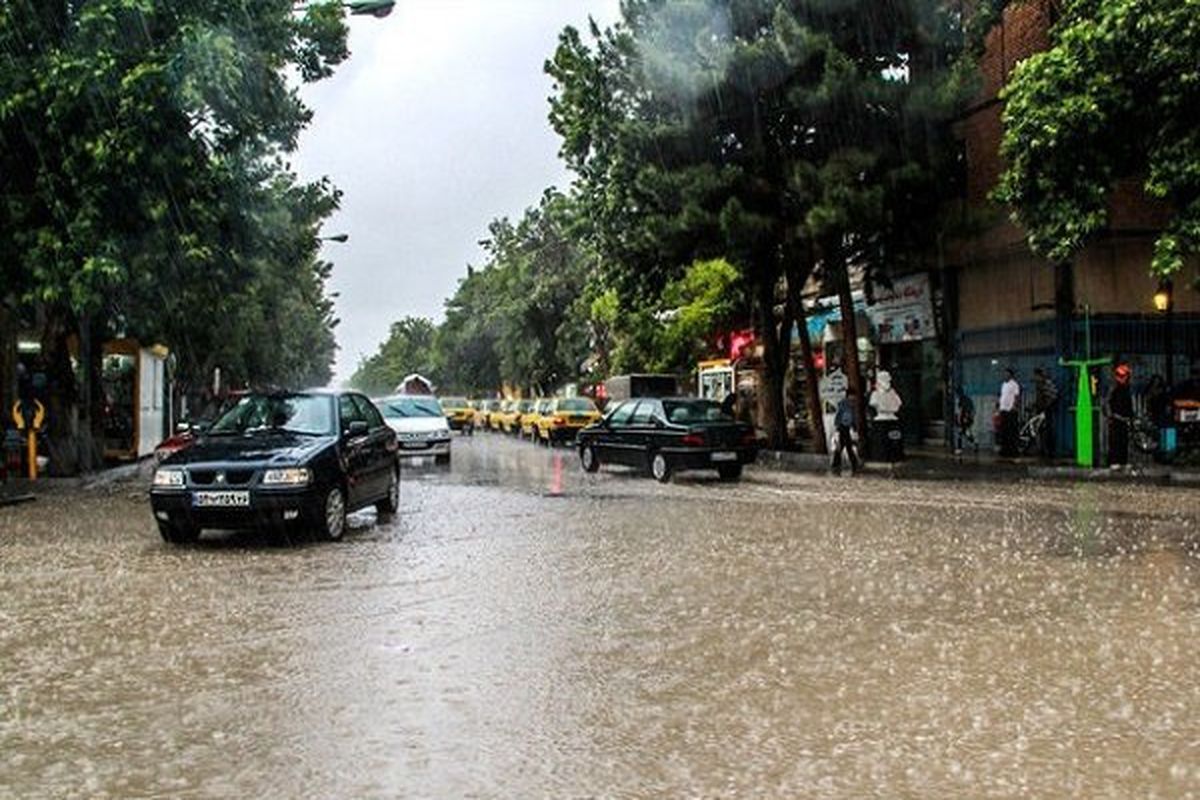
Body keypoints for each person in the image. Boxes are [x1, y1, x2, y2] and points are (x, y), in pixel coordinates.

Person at [869, 370, 904, 462]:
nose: (888, 381)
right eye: (885, 379)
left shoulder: (893, 394)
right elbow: (874, 403)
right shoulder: (875, 395)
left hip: (892, 418)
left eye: (888, 379)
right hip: (881, 418)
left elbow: (898, 404)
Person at [1107, 362, 1134, 468]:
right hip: (1117, 419)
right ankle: (1115, 461)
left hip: (1122, 419)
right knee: (1116, 440)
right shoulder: (1116, 390)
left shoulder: (1124, 389)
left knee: (1123, 441)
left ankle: (1122, 461)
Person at [830, 388, 860, 476]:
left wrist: (854, 426)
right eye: (852, 396)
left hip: (847, 428)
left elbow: (853, 417)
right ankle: (839, 464)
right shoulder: (843, 404)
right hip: (842, 427)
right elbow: (839, 416)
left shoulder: (852, 405)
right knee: (844, 446)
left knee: (846, 446)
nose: (853, 398)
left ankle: (837, 464)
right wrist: (837, 427)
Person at [1032, 367, 1058, 459]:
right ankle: (1043, 450)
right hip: (1041, 410)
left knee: (1047, 431)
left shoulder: (1046, 383)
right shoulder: (1038, 385)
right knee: (1041, 430)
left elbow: (1054, 395)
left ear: (1039, 375)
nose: (1034, 378)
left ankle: (1050, 452)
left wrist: (1047, 405)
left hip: (1047, 411)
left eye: (1035, 376)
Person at [997, 368, 1021, 457]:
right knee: (1004, 432)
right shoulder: (1003, 384)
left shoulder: (1014, 384)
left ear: (1011, 375)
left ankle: (1013, 451)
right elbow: (1002, 396)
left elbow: (1017, 396)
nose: (1005, 375)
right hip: (1003, 410)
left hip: (1010, 411)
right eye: (1004, 374)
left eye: (1007, 374)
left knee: (1011, 432)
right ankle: (1004, 450)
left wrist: (1014, 407)